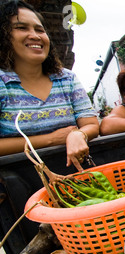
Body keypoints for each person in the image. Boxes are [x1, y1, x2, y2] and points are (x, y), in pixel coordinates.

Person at [0, 1, 99, 171]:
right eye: (22, 28)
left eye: (39, 30)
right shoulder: (3, 83)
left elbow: (91, 124)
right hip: (18, 183)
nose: (35, 36)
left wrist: (79, 134)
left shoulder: (67, 79)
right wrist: (50, 139)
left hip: (77, 174)